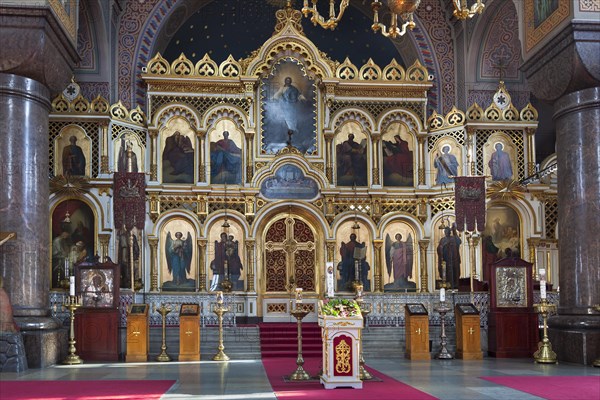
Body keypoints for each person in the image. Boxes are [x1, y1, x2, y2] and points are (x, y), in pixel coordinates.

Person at [437, 225, 462, 290]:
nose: (446, 232)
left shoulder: (453, 238)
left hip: (454, 259)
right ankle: (447, 283)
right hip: (446, 259)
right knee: (446, 271)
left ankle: (455, 284)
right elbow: (439, 248)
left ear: (449, 232)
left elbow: (459, 241)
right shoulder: (442, 240)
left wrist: (455, 231)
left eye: (447, 231)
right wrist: (444, 245)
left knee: (454, 271)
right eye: (445, 231)